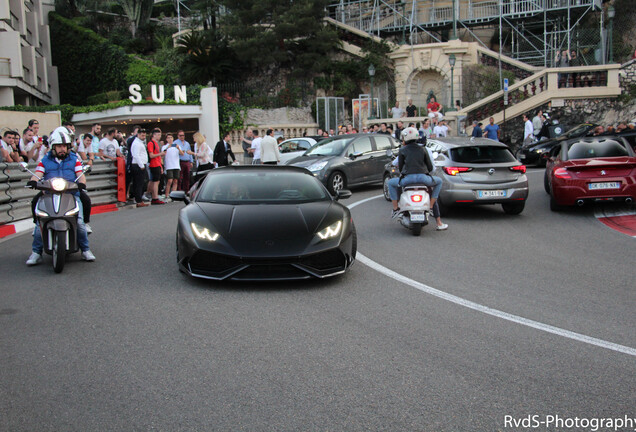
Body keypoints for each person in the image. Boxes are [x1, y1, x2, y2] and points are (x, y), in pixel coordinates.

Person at [26, 126, 95, 265]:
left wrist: (81, 183)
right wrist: (33, 181)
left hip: (71, 193)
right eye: (59, 146)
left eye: (64, 146)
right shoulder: (45, 160)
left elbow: (80, 175)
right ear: (53, 147)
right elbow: (38, 174)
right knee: (40, 224)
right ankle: (36, 252)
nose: (62, 149)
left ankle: (85, 250)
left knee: (80, 223)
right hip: (49, 194)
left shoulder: (74, 159)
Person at [386, 127, 444, 225]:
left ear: (405, 138)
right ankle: (431, 205)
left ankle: (395, 208)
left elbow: (400, 168)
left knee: (391, 183)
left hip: (408, 179)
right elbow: (430, 167)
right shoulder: (423, 149)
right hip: (423, 179)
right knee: (439, 181)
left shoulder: (402, 150)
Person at [130, 129, 149, 208]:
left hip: (140, 164)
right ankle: (138, 200)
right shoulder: (137, 143)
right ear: (138, 135)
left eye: (144, 135)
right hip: (138, 165)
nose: (143, 137)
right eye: (142, 135)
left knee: (140, 183)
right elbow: (136, 155)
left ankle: (139, 199)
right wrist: (141, 166)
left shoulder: (139, 142)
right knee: (139, 183)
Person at [146, 128, 165, 205]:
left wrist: (161, 166)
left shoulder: (156, 143)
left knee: (156, 181)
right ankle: (155, 197)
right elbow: (151, 155)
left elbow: (158, 157)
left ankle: (154, 196)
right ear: (154, 135)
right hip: (153, 164)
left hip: (157, 164)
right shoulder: (151, 143)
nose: (159, 136)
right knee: (155, 182)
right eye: (158, 135)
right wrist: (161, 154)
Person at [162, 132, 183, 199]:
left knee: (175, 180)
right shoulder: (164, 146)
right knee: (169, 180)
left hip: (176, 165)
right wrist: (167, 147)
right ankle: (166, 194)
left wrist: (178, 148)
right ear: (166, 139)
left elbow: (182, 154)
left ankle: (173, 194)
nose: (170, 139)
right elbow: (162, 154)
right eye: (168, 138)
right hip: (169, 166)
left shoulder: (177, 146)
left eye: (171, 137)